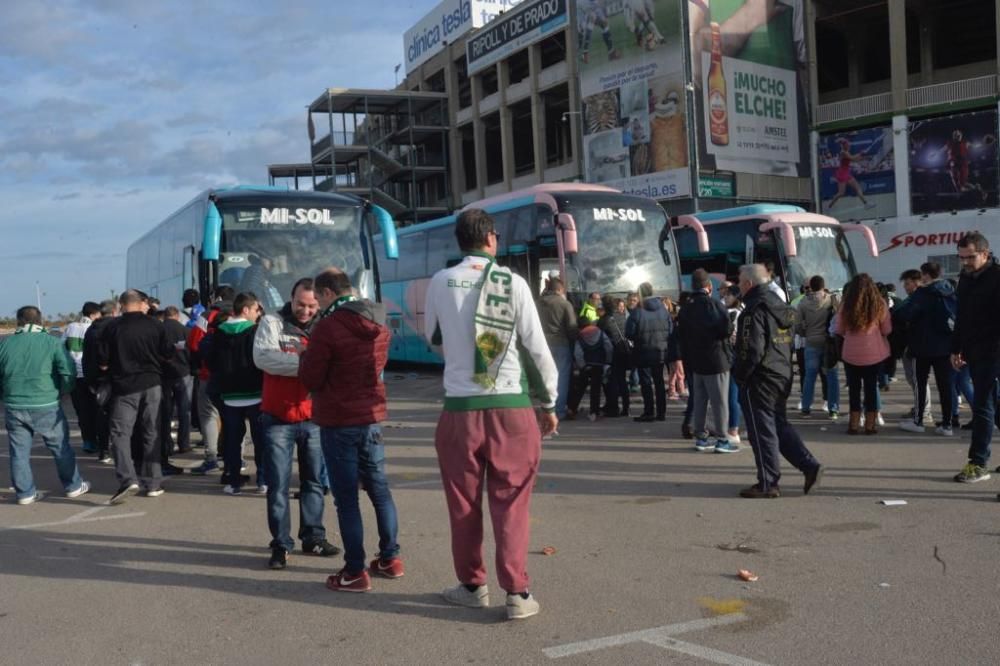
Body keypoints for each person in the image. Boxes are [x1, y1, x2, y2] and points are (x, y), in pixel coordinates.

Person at [423, 208, 558, 621]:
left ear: (458, 240)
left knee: (463, 504)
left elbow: (433, 339)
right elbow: (536, 348)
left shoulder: (440, 281)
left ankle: (471, 585)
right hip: (511, 410)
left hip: (460, 410)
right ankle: (517, 593)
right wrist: (548, 402)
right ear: (492, 239)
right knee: (512, 503)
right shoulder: (513, 283)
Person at [300, 268, 402, 592]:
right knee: (379, 490)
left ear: (329, 292)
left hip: (339, 420)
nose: (316, 304)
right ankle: (390, 557)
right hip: (371, 417)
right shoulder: (379, 321)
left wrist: (305, 358)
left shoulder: (328, 328)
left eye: (317, 297)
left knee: (346, 500)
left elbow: (311, 379)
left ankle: (355, 571)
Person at [253, 278, 341, 569]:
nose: (305, 311)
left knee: (314, 482)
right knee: (277, 484)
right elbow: (264, 359)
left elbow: (336, 364)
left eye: (312, 306)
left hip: (315, 418)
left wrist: (301, 362)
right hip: (277, 417)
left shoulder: (327, 326)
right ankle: (280, 544)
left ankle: (313, 536)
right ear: (291, 298)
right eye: (300, 304)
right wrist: (311, 365)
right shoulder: (271, 322)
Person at [732, 265, 823, 499]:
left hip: (761, 377)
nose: (738, 286)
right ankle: (809, 465)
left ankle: (768, 482)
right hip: (781, 372)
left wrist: (740, 375)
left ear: (749, 284)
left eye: (740, 282)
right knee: (778, 426)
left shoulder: (754, 310)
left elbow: (751, 349)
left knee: (762, 431)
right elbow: (788, 340)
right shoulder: (779, 305)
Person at [0, 306, 90, 505]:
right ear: (39, 321)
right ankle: (73, 486)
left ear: (19, 321)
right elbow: (68, 371)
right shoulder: (52, 342)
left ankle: (25, 493)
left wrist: (5, 396)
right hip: (46, 402)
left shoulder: (5, 344)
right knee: (60, 448)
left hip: (14, 405)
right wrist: (63, 391)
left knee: (18, 452)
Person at [97, 290, 174, 503]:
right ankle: (153, 482)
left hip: (124, 387)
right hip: (152, 383)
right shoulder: (155, 325)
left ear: (121, 305)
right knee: (151, 432)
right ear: (141, 303)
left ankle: (127, 478)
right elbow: (168, 353)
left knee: (120, 434)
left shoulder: (111, 327)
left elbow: (102, 362)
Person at [950, 233, 1000, 484]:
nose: (966, 263)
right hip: (973, 351)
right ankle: (979, 461)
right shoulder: (966, 279)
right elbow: (962, 316)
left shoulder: (997, 277)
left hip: (992, 353)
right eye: (962, 258)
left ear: (985, 253)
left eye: (970, 257)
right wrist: (957, 348)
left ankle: (978, 462)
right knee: (994, 405)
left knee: (983, 406)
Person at [207, 291, 265, 495]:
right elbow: (260, 360)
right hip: (255, 392)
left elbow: (209, 359)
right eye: (256, 310)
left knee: (232, 439)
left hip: (229, 395)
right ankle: (263, 480)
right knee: (260, 439)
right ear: (246, 309)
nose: (258, 314)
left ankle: (233, 480)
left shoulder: (218, 332)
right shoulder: (255, 331)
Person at [893, 262, 957, 436]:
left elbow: (905, 314)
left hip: (922, 346)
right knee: (945, 386)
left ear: (925, 275)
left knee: (920, 383)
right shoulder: (950, 290)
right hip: (945, 346)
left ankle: (919, 421)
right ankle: (947, 425)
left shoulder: (922, 293)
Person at [678, 268, 738, 453]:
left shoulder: (686, 308)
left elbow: (682, 334)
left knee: (700, 400)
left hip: (695, 360)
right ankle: (721, 439)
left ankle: (701, 437)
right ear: (709, 286)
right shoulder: (714, 305)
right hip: (716, 359)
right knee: (720, 401)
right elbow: (726, 329)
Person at [834, 274, 892, 436]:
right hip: (873, 353)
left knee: (854, 389)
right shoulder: (879, 304)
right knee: (871, 388)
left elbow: (839, 329)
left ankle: (853, 424)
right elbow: (887, 330)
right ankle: (870, 425)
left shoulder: (846, 304)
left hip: (851, 353)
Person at [187, 286, 234, 475]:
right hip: (237, 375)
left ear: (218, 297)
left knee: (208, 415)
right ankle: (235, 458)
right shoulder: (242, 313)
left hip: (209, 373)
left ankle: (211, 458)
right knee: (234, 416)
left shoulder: (208, 315)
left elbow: (194, 343)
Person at [626, 281, 671, 422]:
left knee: (646, 382)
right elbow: (670, 330)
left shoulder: (638, 311)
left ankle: (649, 411)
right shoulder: (663, 310)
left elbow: (629, 332)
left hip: (643, 350)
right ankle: (662, 412)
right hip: (660, 350)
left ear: (640, 294)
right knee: (659, 382)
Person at [796, 276, 839, 420]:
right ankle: (833, 409)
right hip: (828, 343)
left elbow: (797, 326)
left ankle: (806, 408)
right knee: (831, 377)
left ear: (810, 287)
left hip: (811, 342)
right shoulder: (831, 300)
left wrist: (805, 333)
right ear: (823, 285)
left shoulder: (803, 302)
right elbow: (838, 319)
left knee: (809, 377)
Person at [63, 301, 102, 453]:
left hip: (74, 375)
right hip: (89, 374)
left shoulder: (71, 327)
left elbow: (62, 348)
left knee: (81, 411)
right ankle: (97, 440)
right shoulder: (93, 329)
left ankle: (88, 441)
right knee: (95, 409)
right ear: (94, 314)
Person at [81, 299, 118, 464]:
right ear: (115, 311)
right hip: (114, 378)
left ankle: (104, 450)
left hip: (96, 379)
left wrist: (89, 379)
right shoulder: (116, 327)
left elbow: (86, 357)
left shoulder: (91, 329)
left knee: (101, 414)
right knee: (119, 415)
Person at [536, 276, 577, 420]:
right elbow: (572, 328)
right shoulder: (565, 304)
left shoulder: (537, 303)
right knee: (561, 378)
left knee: (545, 377)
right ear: (560, 289)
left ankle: (546, 409)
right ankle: (559, 411)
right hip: (561, 343)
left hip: (541, 344)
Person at [159, 307, 193, 474]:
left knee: (165, 412)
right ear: (177, 316)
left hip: (164, 375)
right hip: (183, 373)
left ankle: (167, 444)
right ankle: (184, 443)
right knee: (184, 410)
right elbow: (191, 352)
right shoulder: (186, 331)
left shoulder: (159, 330)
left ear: (165, 316)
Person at [568, 317, 613, 421]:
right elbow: (608, 347)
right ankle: (594, 412)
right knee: (595, 389)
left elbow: (578, 353)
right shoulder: (600, 333)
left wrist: (582, 366)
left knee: (580, 387)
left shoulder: (580, 337)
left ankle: (572, 408)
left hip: (586, 365)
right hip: (599, 364)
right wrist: (607, 361)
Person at [598, 296, 630, 417]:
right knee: (622, 380)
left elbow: (600, 338)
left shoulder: (603, 320)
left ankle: (613, 407)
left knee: (611, 381)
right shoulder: (623, 317)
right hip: (623, 351)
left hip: (611, 353)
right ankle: (626, 407)